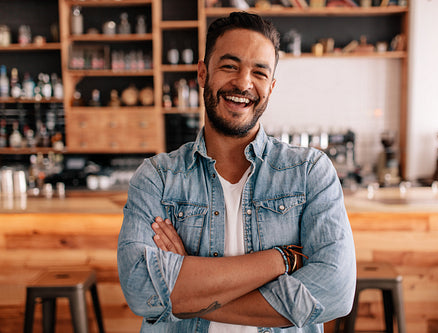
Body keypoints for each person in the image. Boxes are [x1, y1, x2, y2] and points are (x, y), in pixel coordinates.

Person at [117, 11, 356, 332]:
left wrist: (185, 289)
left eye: (258, 72)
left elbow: (334, 293)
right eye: (229, 66)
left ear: (270, 87)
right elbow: (140, 290)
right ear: (203, 73)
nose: (243, 82)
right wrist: (280, 260)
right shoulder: (156, 177)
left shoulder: (310, 172)